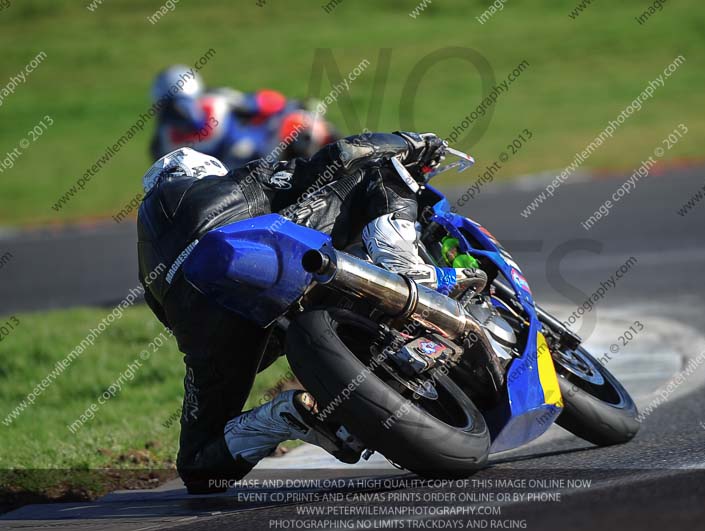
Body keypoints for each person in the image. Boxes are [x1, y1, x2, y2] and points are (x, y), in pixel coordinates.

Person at [137, 132, 487, 493]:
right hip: (267, 258)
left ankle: (281, 417)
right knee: (378, 168)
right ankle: (404, 267)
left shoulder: (146, 263)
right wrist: (409, 143)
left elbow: (172, 323)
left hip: (210, 327)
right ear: (203, 172)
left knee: (197, 465)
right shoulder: (232, 183)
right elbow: (340, 155)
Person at [149, 64, 337, 168]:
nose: (180, 111)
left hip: (264, 151)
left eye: (182, 104)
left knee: (301, 124)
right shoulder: (162, 144)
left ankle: (343, 166)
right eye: (171, 108)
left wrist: (294, 106)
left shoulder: (218, 100)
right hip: (227, 189)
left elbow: (262, 102)